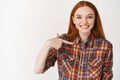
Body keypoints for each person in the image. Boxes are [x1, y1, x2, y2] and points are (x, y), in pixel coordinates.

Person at [34, 1, 113, 80]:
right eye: (79, 17)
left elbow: (107, 77)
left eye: (89, 17)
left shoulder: (105, 46)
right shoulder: (62, 42)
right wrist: (48, 44)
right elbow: (38, 70)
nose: (84, 21)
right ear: (73, 20)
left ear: (95, 19)